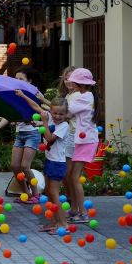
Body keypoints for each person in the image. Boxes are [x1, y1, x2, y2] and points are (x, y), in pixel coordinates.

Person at [16, 91, 70, 233]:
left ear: (66, 114)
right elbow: (36, 107)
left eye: (61, 114)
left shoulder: (64, 126)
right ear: (51, 111)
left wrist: (44, 121)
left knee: (54, 193)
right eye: (55, 113)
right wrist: (22, 96)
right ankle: (54, 221)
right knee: (49, 192)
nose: (57, 116)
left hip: (58, 163)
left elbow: (49, 137)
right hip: (50, 160)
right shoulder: (51, 118)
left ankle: (63, 224)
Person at [0, 67, 44, 204]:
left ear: (29, 81)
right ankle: (25, 193)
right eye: (15, 78)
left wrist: (38, 122)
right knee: (15, 166)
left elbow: (43, 112)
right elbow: (10, 116)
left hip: (32, 134)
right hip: (20, 134)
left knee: (25, 166)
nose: (17, 81)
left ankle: (35, 194)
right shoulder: (15, 94)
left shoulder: (35, 94)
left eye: (20, 79)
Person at [65, 68, 99, 224]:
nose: (71, 83)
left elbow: (65, 112)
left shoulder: (83, 98)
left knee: (74, 177)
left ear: (79, 84)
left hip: (86, 142)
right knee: (73, 176)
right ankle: (74, 210)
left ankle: (83, 213)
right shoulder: (88, 96)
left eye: (73, 81)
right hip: (84, 140)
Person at [57, 66, 78, 210]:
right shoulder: (68, 95)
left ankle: (74, 203)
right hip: (68, 134)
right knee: (66, 173)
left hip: (72, 135)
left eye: (71, 78)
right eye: (66, 78)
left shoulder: (77, 96)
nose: (68, 81)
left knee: (68, 173)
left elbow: (65, 115)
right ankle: (72, 200)